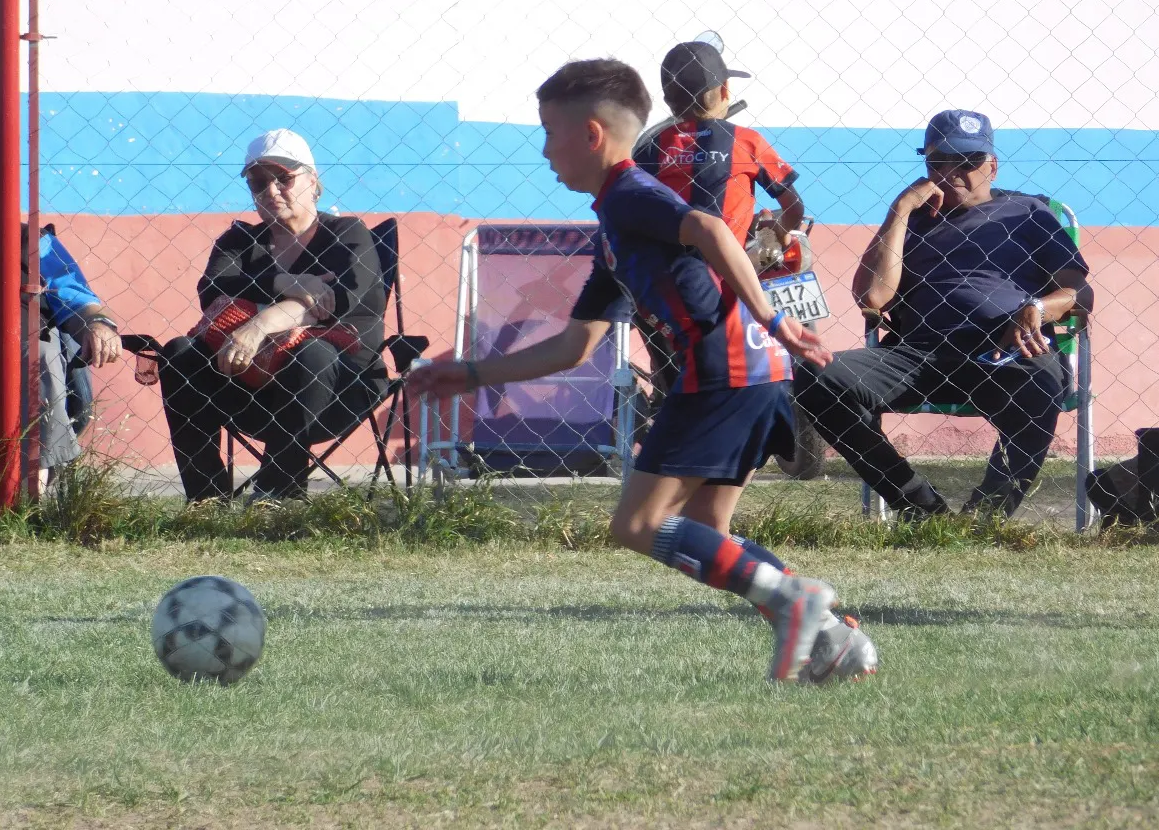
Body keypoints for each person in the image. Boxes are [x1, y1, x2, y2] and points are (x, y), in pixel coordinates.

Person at [410, 59, 875, 684]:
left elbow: (709, 227)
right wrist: (470, 376)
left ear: (593, 135)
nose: (544, 149)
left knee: (638, 524)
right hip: (751, 371)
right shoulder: (614, 224)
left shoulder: (631, 194)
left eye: (550, 131)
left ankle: (796, 600)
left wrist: (773, 316)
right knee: (710, 533)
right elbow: (576, 346)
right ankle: (832, 638)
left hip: (725, 368)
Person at [794, 110, 1095, 519]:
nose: (952, 172)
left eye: (968, 161)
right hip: (918, 355)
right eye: (938, 162)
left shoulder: (1028, 213)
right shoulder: (913, 221)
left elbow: (1080, 291)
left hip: (1000, 353)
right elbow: (873, 296)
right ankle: (918, 505)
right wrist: (900, 210)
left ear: (992, 164)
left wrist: (1039, 308)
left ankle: (984, 516)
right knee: (817, 377)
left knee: (1045, 379)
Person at [157, 128, 389, 502]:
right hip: (245, 384)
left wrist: (261, 322)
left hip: (339, 387)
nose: (271, 190)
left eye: (284, 178)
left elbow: (347, 298)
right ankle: (207, 499)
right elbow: (213, 290)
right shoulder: (239, 240)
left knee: (311, 354)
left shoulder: (349, 234)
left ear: (313, 182)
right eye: (258, 182)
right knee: (179, 352)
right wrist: (289, 281)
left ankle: (275, 496)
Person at [631, 41, 808, 401]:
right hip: (737, 265)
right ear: (725, 91)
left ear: (668, 102)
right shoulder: (747, 141)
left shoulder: (652, 146)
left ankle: (670, 393)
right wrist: (781, 228)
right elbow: (793, 205)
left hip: (673, 273)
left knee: (654, 327)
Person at [0, 135, 122, 471]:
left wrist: (98, 324)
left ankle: (36, 494)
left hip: (5, 375)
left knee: (41, 351)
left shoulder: (29, 242)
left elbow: (77, 299)